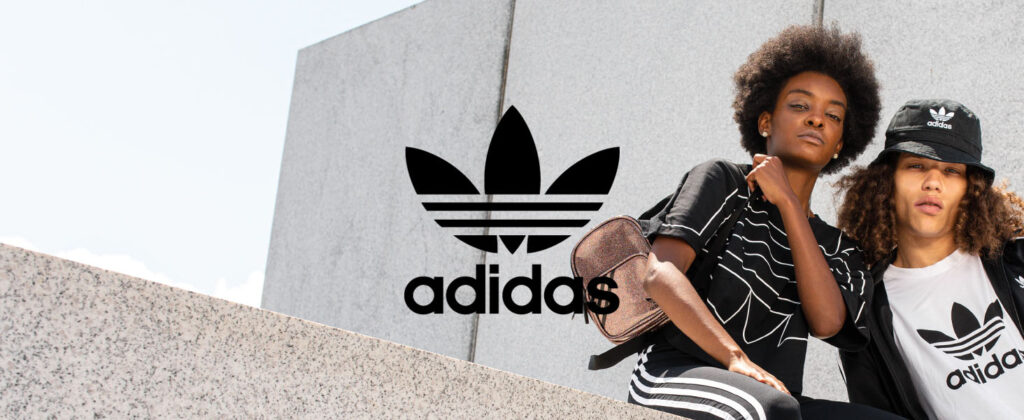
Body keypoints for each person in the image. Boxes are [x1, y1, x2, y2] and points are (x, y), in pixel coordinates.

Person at [629, 25, 899, 419]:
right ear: (765, 122)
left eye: (833, 115)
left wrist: (789, 203)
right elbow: (659, 274)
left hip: (776, 396)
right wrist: (734, 358)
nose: (817, 120)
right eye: (800, 106)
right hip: (675, 370)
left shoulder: (838, 247)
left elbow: (827, 322)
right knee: (770, 408)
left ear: (840, 143)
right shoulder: (722, 181)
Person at [837, 99, 1024, 419]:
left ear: (970, 188)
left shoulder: (1014, 260)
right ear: (887, 180)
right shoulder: (866, 315)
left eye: (951, 170)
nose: (933, 183)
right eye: (916, 165)